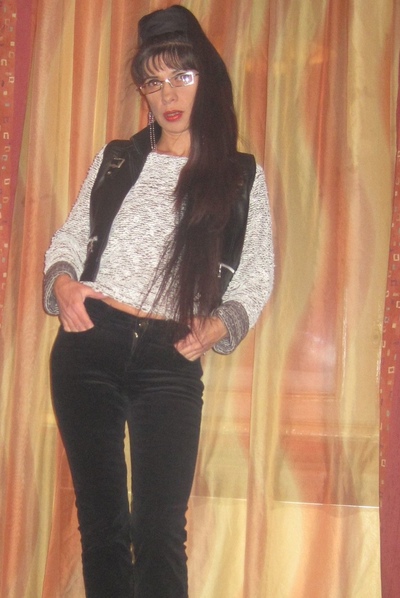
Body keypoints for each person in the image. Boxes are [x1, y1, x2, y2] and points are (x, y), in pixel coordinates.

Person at [43, 5, 274, 598]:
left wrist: (220, 323)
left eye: (181, 76)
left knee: (160, 529)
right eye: (153, 81)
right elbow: (70, 235)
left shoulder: (239, 175)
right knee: (102, 526)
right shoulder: (118, 158)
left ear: (207, 79)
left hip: (169, 356)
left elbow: (258, 271)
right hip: (90, 342)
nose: (167, 94)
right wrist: (63, 283)